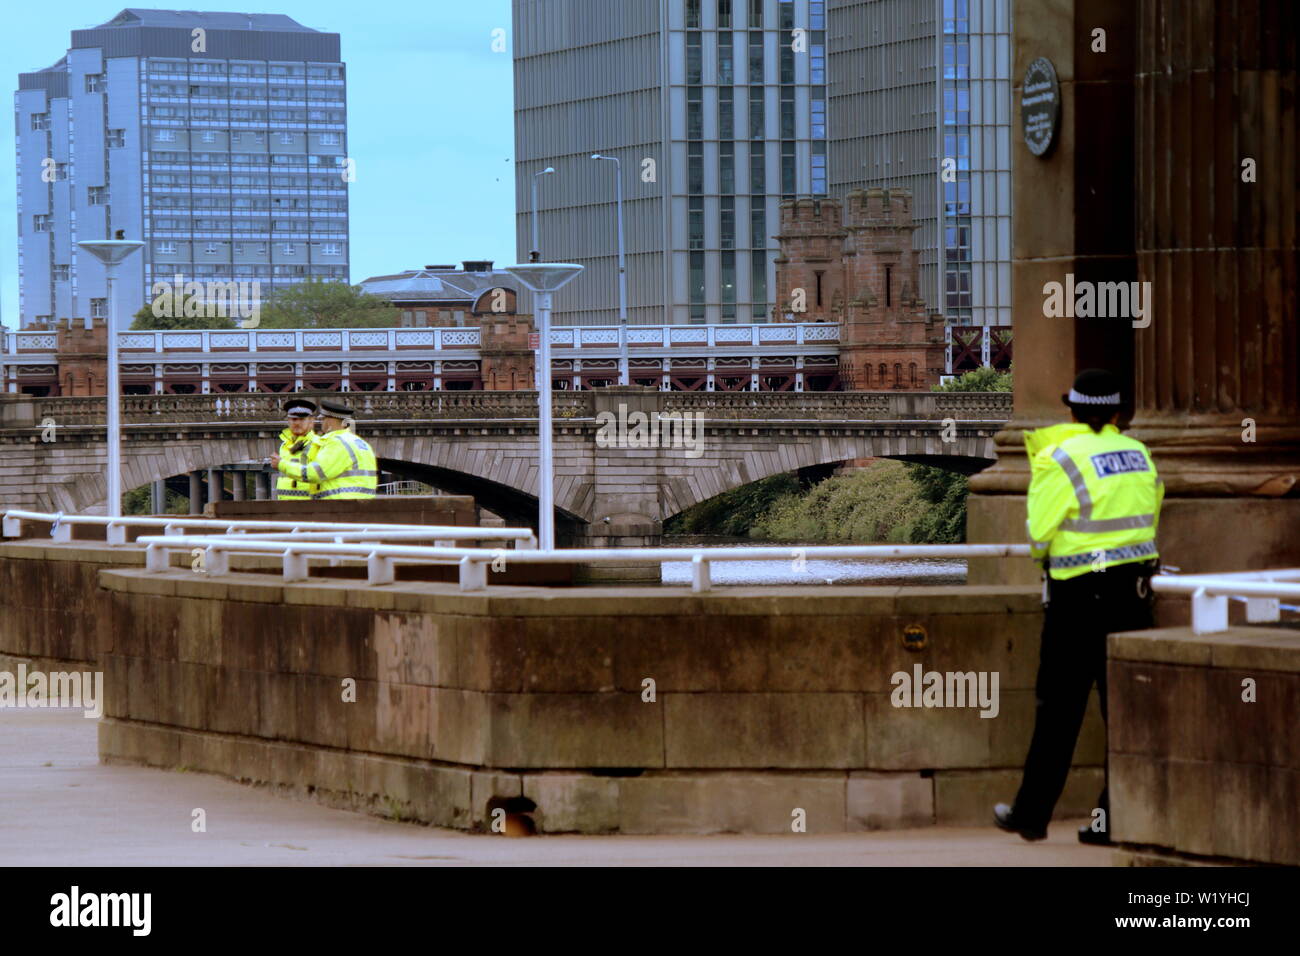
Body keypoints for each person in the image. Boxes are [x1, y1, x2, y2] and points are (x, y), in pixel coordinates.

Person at [994, 368, 1163, 846]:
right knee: (1124, 712)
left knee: (1059, 712)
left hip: (1076, 597)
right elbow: (1151, 514)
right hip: (1132, 595)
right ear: (1115, 412)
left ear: (1071, 408)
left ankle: (1031, 815)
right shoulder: (1138, 453)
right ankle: (1110, 822)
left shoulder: (1059, 456)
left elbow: (1039, 532)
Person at [306, 398, 378, 500]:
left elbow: (315, 473)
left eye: (323, 419)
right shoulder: (362, 443)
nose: (321, 423)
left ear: (330, 421)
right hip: (363, 506)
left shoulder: (336, 442)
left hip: (340, 507)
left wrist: (283, 465)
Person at [270, 398, 322, 500]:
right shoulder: (284, 445)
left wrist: (281, 464)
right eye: (294, 419)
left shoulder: (318, 443)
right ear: (288, 421)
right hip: (285, 505)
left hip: (310, 506)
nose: (297, 423)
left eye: (302, 419)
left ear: (312, 421)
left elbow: (318, 474)